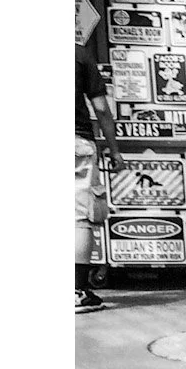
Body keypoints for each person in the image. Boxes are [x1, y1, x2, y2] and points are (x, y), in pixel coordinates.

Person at [75, 56, 126, 313]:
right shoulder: (80, 56)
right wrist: (114, 150)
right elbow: (102, 109)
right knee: (79, 217)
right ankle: (77, 291)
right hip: (76, 143)